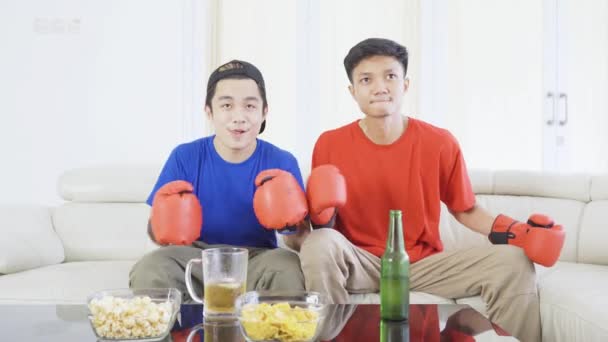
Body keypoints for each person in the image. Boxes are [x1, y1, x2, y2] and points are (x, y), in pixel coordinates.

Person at [297, 38, 565, 342]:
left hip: (422, 264)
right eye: (366, 79)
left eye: (390, 76)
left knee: (512, 262)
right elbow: (322, 225)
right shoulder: (330, 143)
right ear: (353, 91)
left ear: (405, 84)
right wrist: (317, 218)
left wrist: (516, 231)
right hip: (360, 262)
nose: (380, 86)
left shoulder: (439, 142)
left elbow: (465, 209)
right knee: (319, 242)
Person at [130, 60, 312, 300]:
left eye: (249, 105)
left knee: (287, 267)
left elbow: (298, 240)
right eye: (226, 105)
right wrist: (163, 224)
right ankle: (165, 336)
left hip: (257, 258)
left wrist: (290, 224)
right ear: (209, 112)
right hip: (196, 258)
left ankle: (274, 335)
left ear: (264, 111)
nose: (238, 117)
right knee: (151, 267)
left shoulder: (282, 160)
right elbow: (155, 234)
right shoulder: (185, 156)